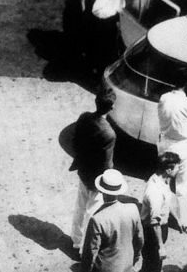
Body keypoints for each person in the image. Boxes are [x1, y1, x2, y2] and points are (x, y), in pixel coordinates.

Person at [70, 87, 117, 254]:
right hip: (97, 178)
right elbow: (107, 163)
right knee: (93, 212)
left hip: (83, 170)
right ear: (111, 107)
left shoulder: (84, 118)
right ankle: (85, 249)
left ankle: (76, 241)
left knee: (80, 207)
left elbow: (75, 142)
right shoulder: (109, 133)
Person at [157, 67, 187, 230]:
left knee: (164, 181)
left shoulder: (163, 98)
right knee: (183, 184)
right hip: (182, 146)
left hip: (164, 143)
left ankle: (162, 214)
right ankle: (184, 220)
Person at [81, 169, 144, 272]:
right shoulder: (133, 209)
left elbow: (90, 253)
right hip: (127, 265)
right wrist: (134, 259)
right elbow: (139, 239)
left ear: (101, 190)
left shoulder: (97, 219)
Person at [140, 152, 181, 272]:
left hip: (160, 227)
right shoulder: (155, 192)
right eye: (177, 167)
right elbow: (154, 222)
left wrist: (177, 219)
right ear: (168, 170)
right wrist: (161, 247)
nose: (179, 169)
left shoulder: (162, 179)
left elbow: (166, 203)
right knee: (152, 264)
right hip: (152, 232)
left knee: (153, 262)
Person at [89, 0, 127, 77]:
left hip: (113, 21)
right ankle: (100, 77)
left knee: (112, 51)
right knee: (104, 51)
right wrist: (114, 12)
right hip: (105, 24)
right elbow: (97, 10)